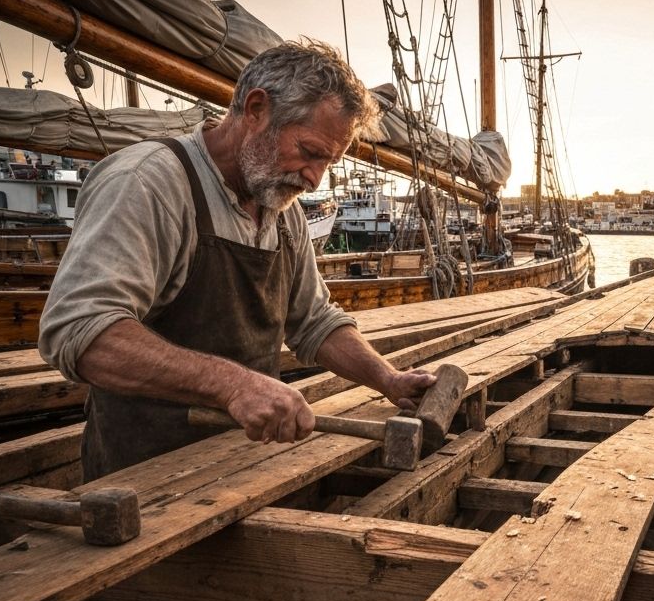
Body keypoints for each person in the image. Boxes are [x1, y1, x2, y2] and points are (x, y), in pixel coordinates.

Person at [39, 40, 436, 481]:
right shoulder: (149, 183)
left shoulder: (282, 211)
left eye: (329, 163)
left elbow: (314, 321)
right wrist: (232, 384)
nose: (314, 178)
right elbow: (80, 330)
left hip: (243, 470)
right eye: (309, 152)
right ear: (256, 109)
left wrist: (389, 380)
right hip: (143, 480)